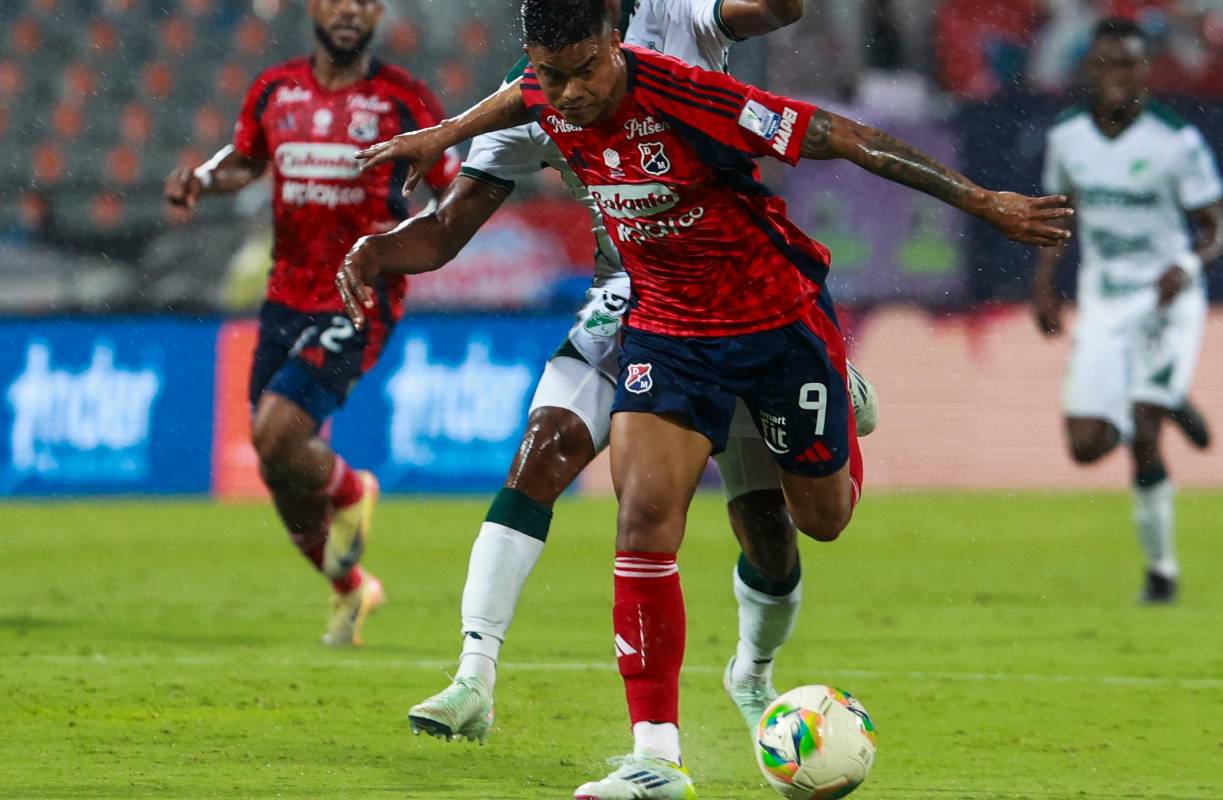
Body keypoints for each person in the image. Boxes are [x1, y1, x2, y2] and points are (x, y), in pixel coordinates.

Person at [347, 1, 1070, 795]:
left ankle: (839, 392)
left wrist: (984, 202)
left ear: (613, 45)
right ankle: (655, 757)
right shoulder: (544, 90)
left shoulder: (688, 95)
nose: (567, 93)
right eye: (551, 75)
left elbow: (846, 137)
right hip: (665, 329)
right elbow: (518, 95)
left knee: (820, 521)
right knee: (643, 518)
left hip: (775, 322)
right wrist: (439, 137)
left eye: (583, 70)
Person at [337, 0, 850, 746]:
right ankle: (473, 676)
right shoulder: (534, 87)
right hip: (631, 303)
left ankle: (753, 669)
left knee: (770, 531)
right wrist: (378, 249)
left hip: (735, 298)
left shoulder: (685, 17)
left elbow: (775, 10)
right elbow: (448, 229)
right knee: (540, 454)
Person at [164, 0, 457, 647]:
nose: (350, 9)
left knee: (277, 430)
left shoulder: (404, 100)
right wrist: (203, 181)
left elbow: (454, 189)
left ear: (379, 14)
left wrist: (409, 246)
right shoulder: (275, 88)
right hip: (285, 294)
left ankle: (353, 490)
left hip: (359, 293)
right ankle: (352, 590)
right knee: (276, 464)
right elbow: (245, 159)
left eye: (364, 1)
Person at [1032, 18, 1223, 605]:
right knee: (1085, 445)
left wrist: (1188, 266)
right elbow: (1058, 216)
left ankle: (1161, 573)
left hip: (1165, 301)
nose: (1116, 75)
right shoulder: (1068, 136)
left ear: (1146, 71)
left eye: (1128, 64)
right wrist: (1044, 286)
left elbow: (1218, 227)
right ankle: (1170, 402)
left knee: (1143, 433)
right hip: (1104, 302)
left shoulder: (1176, 141)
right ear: (1089, 69)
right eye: (1105, 64)